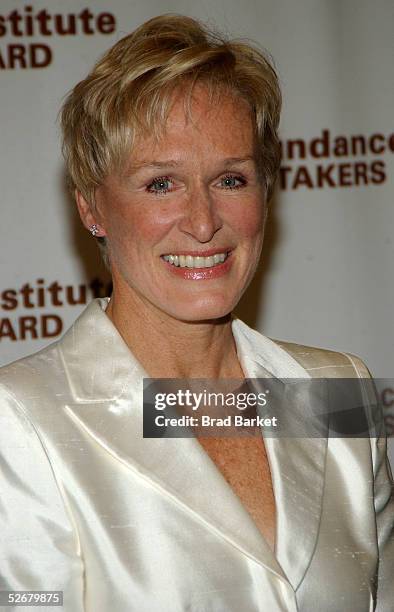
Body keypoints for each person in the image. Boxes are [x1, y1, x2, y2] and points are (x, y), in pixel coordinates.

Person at [0, 13, 393, 612]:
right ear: (92, 209)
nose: (204, 222)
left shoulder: (338, 390)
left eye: (231, 178)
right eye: (161, 184)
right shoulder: (23, 419)